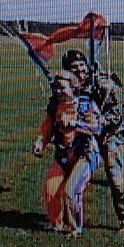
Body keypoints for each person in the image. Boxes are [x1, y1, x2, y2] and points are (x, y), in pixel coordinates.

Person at [60, 49, 124, 233]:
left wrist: (101, 120)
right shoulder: (70, 87)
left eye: (81, 66)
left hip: (109, 136)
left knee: (117, 179)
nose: (79, 71)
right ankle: (68, 219)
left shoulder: (103, 83)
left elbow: (119, 111)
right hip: (85, 140)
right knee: (71, 178)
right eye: (74, 68)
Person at [34, 69, 103, 236]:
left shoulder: (85, 105)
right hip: (64, 155)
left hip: (84, 154)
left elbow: (97, 128)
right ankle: (57, 224)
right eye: (56, 88)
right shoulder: (55, 108)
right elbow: (48, 128)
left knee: (70, 190)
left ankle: (75, 228)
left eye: (62, 87)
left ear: (73, 88)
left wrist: (75, 124)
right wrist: (40, 142)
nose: (59, 91)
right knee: (51, 189)